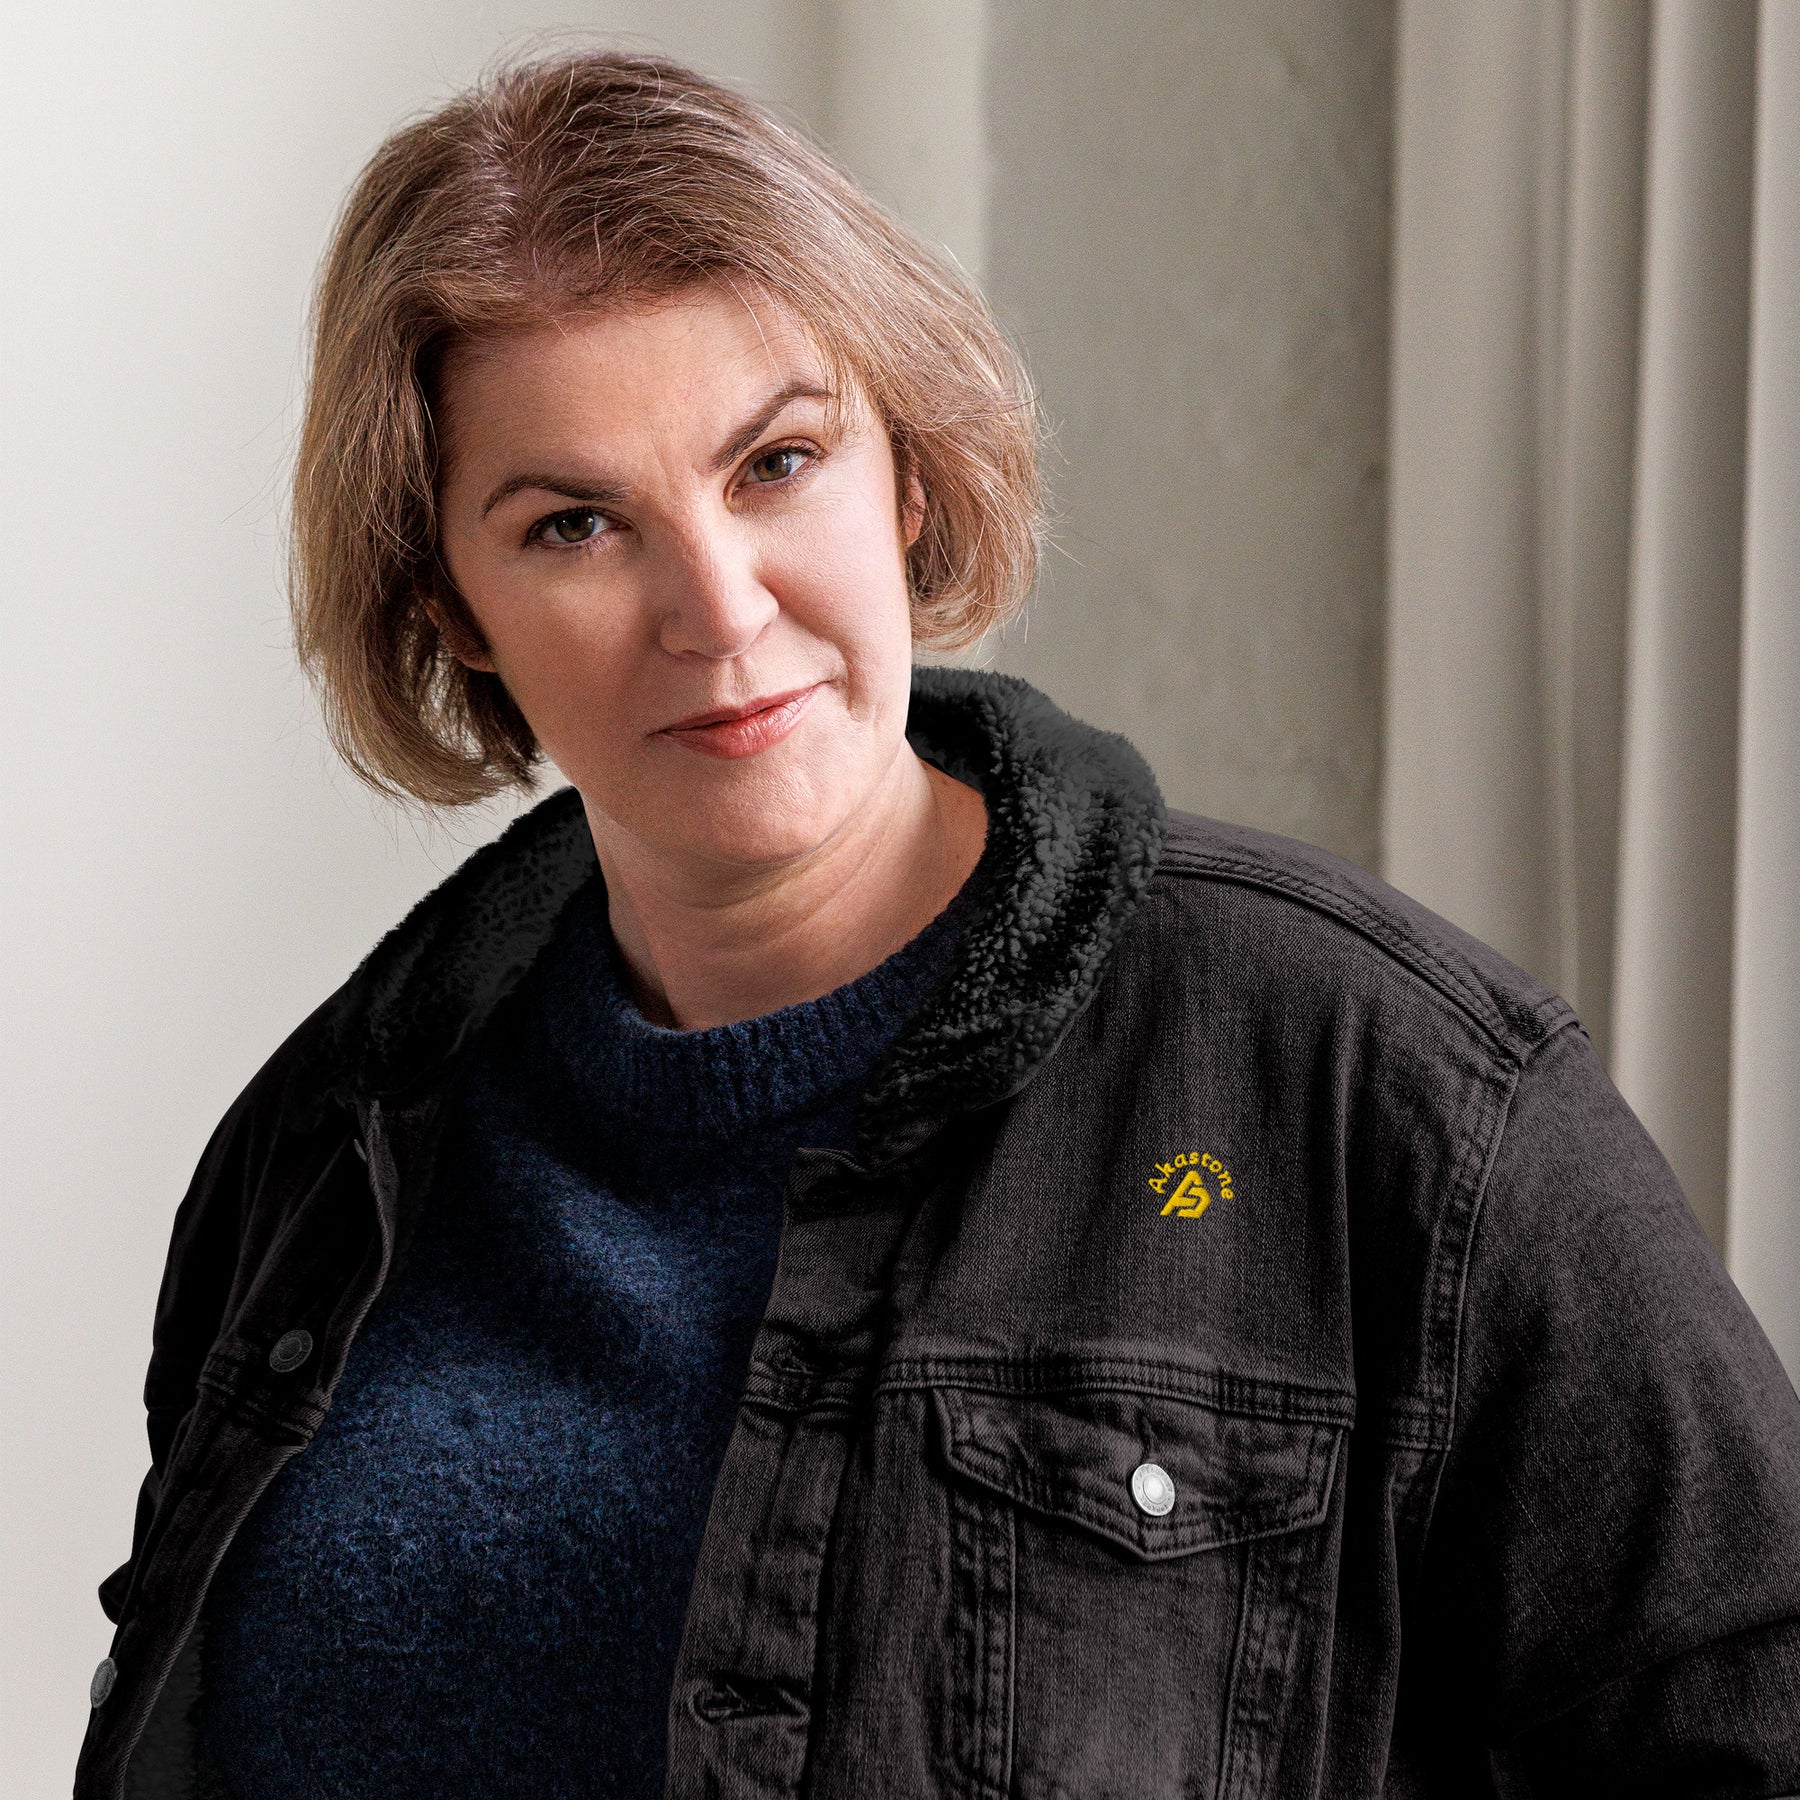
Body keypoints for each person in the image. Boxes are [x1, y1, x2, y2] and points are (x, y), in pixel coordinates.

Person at [77, 48, 1800, 1800]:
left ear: (904, 478)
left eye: (778, 462)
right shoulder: (321, 1158)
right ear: (453, 605)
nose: (718, 608)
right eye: (576, 524)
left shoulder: (1383, 1084)